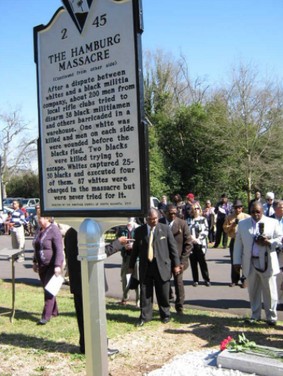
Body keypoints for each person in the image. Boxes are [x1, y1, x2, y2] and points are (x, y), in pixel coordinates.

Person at [64, 226, 123, 355]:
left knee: (83, 317)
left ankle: (85, 346)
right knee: (96, 318)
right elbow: (98, 252)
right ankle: (100, 348)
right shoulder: (85, 232)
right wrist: (118, 243)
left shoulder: (70, 233)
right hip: (91, 281)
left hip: (77, 281)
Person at [129, 208, 181, 326]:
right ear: (146, 219)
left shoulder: (165, 229)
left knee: (163, 292)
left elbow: (173, 248)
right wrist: (131, 266)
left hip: (162, 266)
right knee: (145, 293)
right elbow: (135, 250)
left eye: (156, 218)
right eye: (151, 219)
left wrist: (177, 265)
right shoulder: (139, 231)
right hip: (146, 266)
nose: (154, 221)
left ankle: (165, 315)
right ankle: (145, 317)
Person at [233, 202, 282, 326]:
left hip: (267, 262)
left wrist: (269, 242)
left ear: (262, 211)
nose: (256, 214)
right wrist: (236, 262)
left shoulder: (273, 222)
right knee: (253, 290)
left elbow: (280, 239)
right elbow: (238, 244)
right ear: (250, 212)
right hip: (250, 262)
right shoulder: (243, 224)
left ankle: (271, 317)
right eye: (253, 212)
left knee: (270, 291)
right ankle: (255, 315)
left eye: (258, 212)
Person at [159, 204, 193, 314]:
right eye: (170, 213)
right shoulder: (159, 223)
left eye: (175, 213)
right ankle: (168, 302)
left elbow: (188, 244)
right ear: (165, 212)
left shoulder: (182, 224)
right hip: (164, 260)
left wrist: (182, 262)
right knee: (165, 282)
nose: (173, 215)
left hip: (178, 260)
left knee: (178, 282)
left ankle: (179, 306)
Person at [32, 214, 64, 325]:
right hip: (42, 264)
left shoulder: (54, 230)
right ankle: (54, 311)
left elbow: (59, 249)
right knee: (48, 287)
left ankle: (46, 316)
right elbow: (36, 247)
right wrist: (35, 262)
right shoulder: (39, 230)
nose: (38, 221)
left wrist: (57, 265)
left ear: (47, 218)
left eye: (40, 218)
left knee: (49, 290)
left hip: (52, 265)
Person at [223, 199, 250, 288]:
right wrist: (232, 225)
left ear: (242, 208)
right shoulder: (229, 217)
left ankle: (244, 279)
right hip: (234, 240)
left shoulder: (247, 217)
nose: (237, 209)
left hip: (244, 240)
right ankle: (234, 280)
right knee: (234, 261)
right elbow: (225, 229)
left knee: (245, 260)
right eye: (236, 208)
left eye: (239, 207)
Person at [117, 218, 140, 306]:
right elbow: (117, 243)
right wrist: (124, 247)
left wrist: (134, 245)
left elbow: (144, 243)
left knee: (138, 279)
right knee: (125, 279)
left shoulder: (139, 229)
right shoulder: (122, 229)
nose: (129, 219)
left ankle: (138, 301)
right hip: (126, 257)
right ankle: (125, 298)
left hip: (138, 258)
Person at [187, 204, 211, 286]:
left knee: (202, 263)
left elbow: (206, 230)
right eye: (194, 208)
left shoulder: (203, 219)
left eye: (198, 208)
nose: (196, 210)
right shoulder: (189, 220)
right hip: (191, 244)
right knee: (193, 263)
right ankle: (195, 280)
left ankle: (206, 279)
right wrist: (192, 239)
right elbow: (186, 231)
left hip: (201, 244)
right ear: (192, 210)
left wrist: (198, 239)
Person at [274, 200, 283, 310]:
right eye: (281, 207)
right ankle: (275, 300)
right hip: (274, 250)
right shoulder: (270, 219)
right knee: (276, 277)